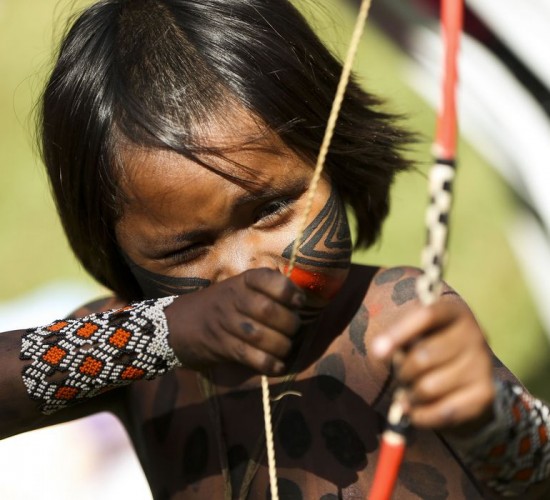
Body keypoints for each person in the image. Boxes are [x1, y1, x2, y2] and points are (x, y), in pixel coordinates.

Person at [1, 0, 549, 498]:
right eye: (183, 250)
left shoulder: (395, 317)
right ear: (116, 249)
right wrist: (163, 334)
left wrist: (490, 419)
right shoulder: (131, 349)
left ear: (334, 157)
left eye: (270, 210)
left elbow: (536, 472)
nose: (245, 271)